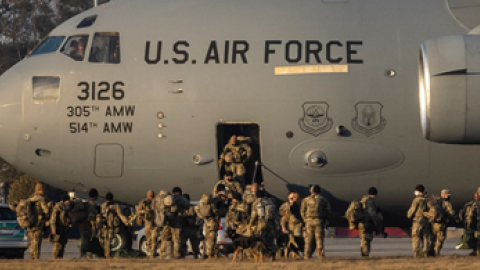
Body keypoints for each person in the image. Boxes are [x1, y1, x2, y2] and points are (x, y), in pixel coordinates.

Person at [301, 184, 330, 259]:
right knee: (319, 239)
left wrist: (305, 219)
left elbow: (302, 211)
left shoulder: (306, 199)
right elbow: (328, 210)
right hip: (318, 220)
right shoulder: (322, 199)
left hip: (309, 221)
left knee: (308, 239)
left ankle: (306, 255)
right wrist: (324, 218)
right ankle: (320, 255)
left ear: (312, 191)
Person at [97, 192, 128, 258]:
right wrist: (99, 222)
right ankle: (103, 253)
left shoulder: (116, 206)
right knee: (101, 240)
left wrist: (125, 221)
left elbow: (120, 215)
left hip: (111, 226)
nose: (108, 201)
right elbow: (99, 215)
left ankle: (107, 256)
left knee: (108, 241)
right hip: (103, 226)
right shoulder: (103, 206)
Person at [248, 189, 277, 258]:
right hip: (270, 223)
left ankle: (260, 254)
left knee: (260, 239)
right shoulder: (269, 201)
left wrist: (250, 224)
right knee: (270, 239)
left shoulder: (256, 202)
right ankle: (272, 254)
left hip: (261, 223)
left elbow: (254, 215)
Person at [26, 183, 50, 259]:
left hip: (30, 224)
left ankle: (31, 258)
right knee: (37, 244)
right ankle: (35, 260)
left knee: (32, 244)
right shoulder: (41, 199)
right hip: (38, 225)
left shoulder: (30, 198)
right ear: (40, 190)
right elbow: (46, 211)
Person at [358, 187, 385, 257]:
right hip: (366, 223)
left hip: (363, 223)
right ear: (374, 194)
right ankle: (365, 254)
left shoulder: (364, 200)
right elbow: (372, 214)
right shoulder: (370, 201)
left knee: (365, 239)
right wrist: (377, 224)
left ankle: (365, 254)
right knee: (366, 239)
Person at [428, 189, 455, 256]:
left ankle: (430, 254)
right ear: (445, 195)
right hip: (442, 225)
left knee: (433, 240)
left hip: (433, 224)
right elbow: (451, 213)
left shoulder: (435, 202)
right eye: (448, 195)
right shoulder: (447, 203)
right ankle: (436, 254)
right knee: (439, 241)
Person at [407, 184, 430, 257]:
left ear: (418, 191)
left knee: (416, 238)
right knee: (425, 238)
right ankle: (425, 253)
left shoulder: (416, 200)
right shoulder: (426, 200)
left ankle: (416, 254)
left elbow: (412, 210)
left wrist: (408, 215)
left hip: (417, 221)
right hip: (425, 221)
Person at [195, 193, 219, 259]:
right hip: (212, 222)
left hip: (205, 222)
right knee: (211, 238)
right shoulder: (211, 204)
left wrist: (201, 216)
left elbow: (196, 210)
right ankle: (210, 254)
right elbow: (215, 211)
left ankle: (207, 253)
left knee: (207, 238)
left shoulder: (200, 203)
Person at [77, 188, 100, 258]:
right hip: (90, 225)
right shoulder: (94, 205)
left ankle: (82, 254)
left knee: (84, 240)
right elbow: (92, 217)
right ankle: (88, 255)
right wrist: (95, 226)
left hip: (83, 225)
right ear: (96, 196)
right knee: (90, 240)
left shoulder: (85, 204)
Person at [280, 191, 304, 257]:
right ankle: (286, 255)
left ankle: (295, 254)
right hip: (290, 226)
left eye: (294, 198)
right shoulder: (286, 206)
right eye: (291, 198)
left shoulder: (300, 205)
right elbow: (283, 217)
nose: (293, 199)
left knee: (296, 240)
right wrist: (283, 226)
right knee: (289, 241)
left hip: (298, 225)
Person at [50, 194, 72, 259]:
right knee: (57, 247)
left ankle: (59, 261)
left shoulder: (68, 207)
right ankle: (55, 260)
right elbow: (52, 219)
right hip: (58, 230)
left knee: (62, 247)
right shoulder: (58, 206)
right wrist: (53, 229)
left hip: (64, 230)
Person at [136, 190, 155, 258]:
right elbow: (138, 212)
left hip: (155, 223)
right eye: (150, 196)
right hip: (148, 223)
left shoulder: (155, 202)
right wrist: (144, 211)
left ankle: (153, 252)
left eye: (152, 196)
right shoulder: (143, 203)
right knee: (149, 238)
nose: (151, 197)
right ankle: (150, 254)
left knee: (154, 238)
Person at [182, 194, 201, 259]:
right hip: (193, 228)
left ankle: (183, 255)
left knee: (183, 244)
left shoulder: (182, 208)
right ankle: (196, 255)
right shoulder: (193, 207)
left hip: (185, 228)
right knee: (195, 244)